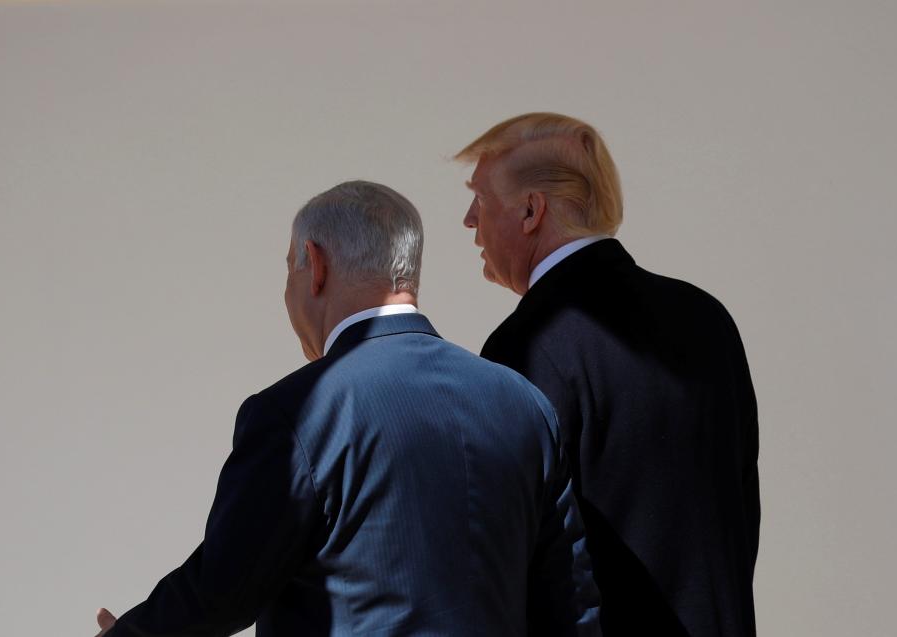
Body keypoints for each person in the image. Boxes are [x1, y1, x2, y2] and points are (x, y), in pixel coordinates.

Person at [95, 180, 600, 636]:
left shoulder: (299, 412)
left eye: (287, 269)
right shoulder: (524, 404)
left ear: (315, 266)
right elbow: (572, 608)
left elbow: (222, 589)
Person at [456, 113, 760, 636]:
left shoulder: (527, 345)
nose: (468, 220)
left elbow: (515, 554)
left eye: (480, 199)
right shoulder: (706, 317)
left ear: (531, 210)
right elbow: (740, 508)